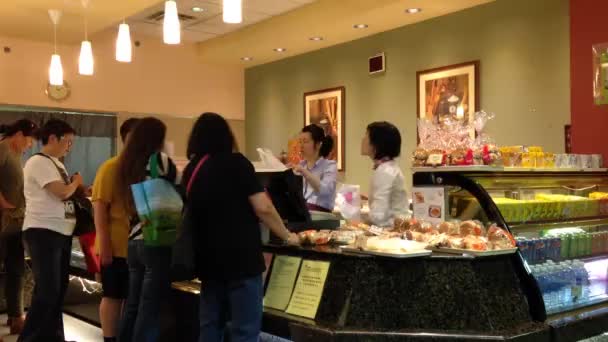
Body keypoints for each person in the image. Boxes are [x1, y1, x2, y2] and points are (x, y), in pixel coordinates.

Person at [183, 112, 299, 342]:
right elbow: (263, 207)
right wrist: (287, 235)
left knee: (210, 327)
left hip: (207, 261)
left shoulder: (192, 170)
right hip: (241, 260)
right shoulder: (237, 163)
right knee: (245, 330)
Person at [93, 117, 176, 342]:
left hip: (131, 241)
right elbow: (99, 206)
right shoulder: (155, 162)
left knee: (132, 303)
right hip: (148, 240)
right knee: (142, 305)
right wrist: (105, 246)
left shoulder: (127, 166)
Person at [19, 119, 82, 342]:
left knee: (57, 290)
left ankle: (53, 337)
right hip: (43, 231)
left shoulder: (57, 163)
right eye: (68, 141)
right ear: (53, 138)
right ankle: (30, 338)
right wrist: (76, 182)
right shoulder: (38, 162)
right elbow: (62, 192)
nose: (69, 146)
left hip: (61, 232)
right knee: (47, 291)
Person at [91, 118, 140, 342]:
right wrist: (105, 246)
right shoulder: (111, 167)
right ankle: (109, 338)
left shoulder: (145, 168)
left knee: (131, 298)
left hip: (138, 247)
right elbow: (99, 207)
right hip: (115, 245)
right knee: (112, 295)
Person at [0, 119, 37, 336]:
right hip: (3, 221)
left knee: (17, 270)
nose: (31, 144)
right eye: (30, 139)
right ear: (20, 135)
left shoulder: (17, 154)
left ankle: (16, 316)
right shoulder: (3, 148)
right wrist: (3, 203)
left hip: (16, 221)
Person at [361, 121, 408, 228]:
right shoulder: (388, 168)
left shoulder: (384, 171)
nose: (363, 140)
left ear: (376, 144)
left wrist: (358, 223)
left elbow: (378, 216)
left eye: (366, 136)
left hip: (390, 232)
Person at [292, 124, 337, 212]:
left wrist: (304, 172)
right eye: (300, 141)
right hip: (303, 213)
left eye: (305, 142)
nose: (301, 145)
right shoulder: (301, 165)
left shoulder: (329, 165)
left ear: (318, 144)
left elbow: (325, 190)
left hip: (322, 215)